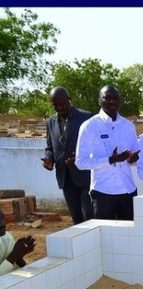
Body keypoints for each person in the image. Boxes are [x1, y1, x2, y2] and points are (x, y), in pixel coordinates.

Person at [75, 85, 140, 220]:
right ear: (99, 100)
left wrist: (132, 159)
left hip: (127, 189)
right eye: (107, 98)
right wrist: (110, 160)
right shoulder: (89, 126)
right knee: (104, 236)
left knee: (128, 236)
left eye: (115, 98)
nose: (112, 101)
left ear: (120, 101)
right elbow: (80, 162)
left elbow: (133, 155)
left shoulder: (128, 126)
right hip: (103, 191)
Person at [41, 87, 94, 224]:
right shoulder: (50, 122)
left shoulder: (86, 117)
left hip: (85, 176)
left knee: (89, 215)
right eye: (55, 104)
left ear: (69, 99)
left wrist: (79, 157)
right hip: (65, 177)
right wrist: (49, 159)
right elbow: (50, 147)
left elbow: (95, 145)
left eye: (62, 103)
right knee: (76, 217)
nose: (59, 107)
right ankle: (81, 245)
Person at [0, 210, 36, 276]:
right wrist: (14, 255)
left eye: (2, 218)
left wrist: (19, 259)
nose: (2, 224)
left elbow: (12, 269)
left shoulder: (7, 238)